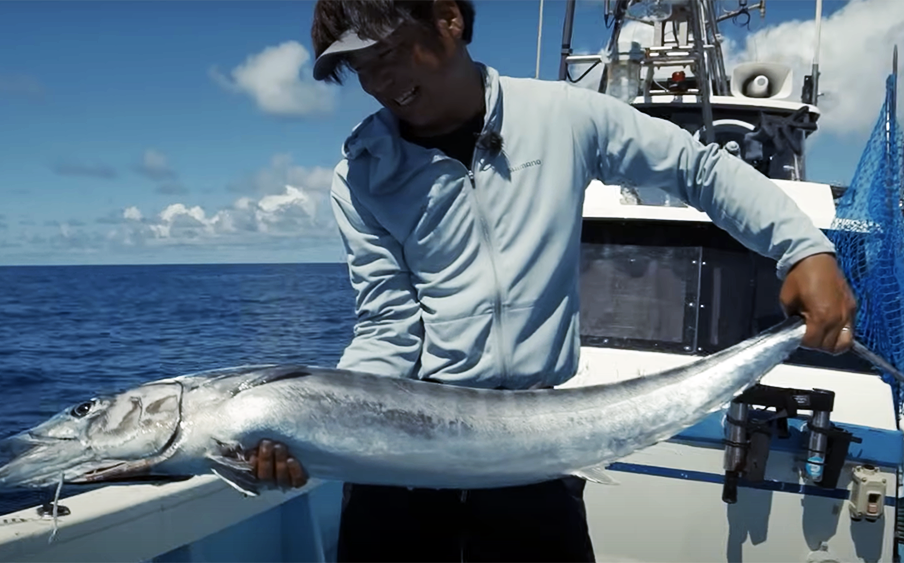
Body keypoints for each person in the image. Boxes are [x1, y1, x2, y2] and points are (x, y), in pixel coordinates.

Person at [243, 0, 858, 561]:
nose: (380, 83)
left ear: (448, 20)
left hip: (539, 448)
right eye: (361, 70)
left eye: (389, 53)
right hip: (402, 464)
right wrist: (328, 426)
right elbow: (388, 325)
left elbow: (698, 170)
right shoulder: (360, 176)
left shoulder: (564, 116)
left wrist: (802, 248)